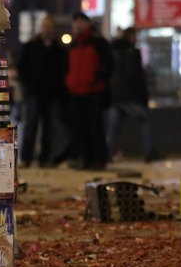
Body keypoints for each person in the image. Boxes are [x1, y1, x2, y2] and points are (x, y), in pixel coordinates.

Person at [18, 16, 69, 167]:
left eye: (50, 26)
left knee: (49, 128)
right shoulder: (31, 46)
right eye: (45, 26)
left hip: (52, 95)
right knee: (30, 127)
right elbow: (23, 68)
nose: (47, 29)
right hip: (34, 94)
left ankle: (44, 159)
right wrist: (28, 86)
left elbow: (63, 71)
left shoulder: (59, 49)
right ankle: (26, 158)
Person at [65, 13, 113, 170]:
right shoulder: (74, 44)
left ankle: (99, 160)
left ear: (87, 24)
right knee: (80, 128)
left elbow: (109, 64)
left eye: (80, 22)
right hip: (76, 93)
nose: (77, 26)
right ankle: (86, 159)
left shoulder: (98, 42)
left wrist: (97, 79)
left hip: (93, 92)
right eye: (75, 23)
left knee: (95, 128)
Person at [106, 27, 157, 163]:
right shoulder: (132, 52)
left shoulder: (113, 51)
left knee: (114, 128)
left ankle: (106, 154)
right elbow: (135, 77)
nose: (136, 39)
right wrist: (142, 97)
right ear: (130, 36)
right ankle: (148, 151)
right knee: (144, 118)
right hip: (129, 97)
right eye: (134, 36)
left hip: (116, 96)